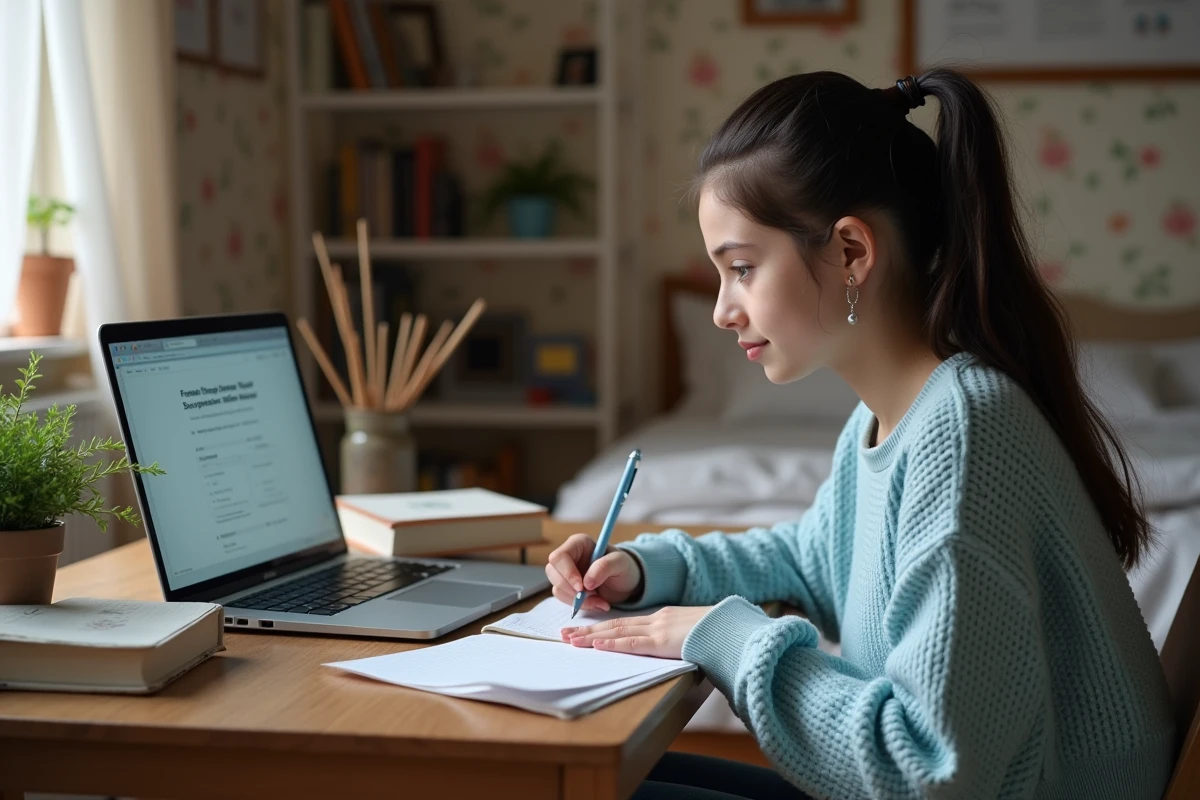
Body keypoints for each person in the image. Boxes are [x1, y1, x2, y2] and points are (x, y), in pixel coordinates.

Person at [546, 69, 1176, 800]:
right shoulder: (892, 418)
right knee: (585, 780)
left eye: (742, 269)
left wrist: (722, 636)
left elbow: (928, 771)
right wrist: (650, 570)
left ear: (851, 253)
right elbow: (814, 561)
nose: (723, 310)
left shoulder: (965, 428)